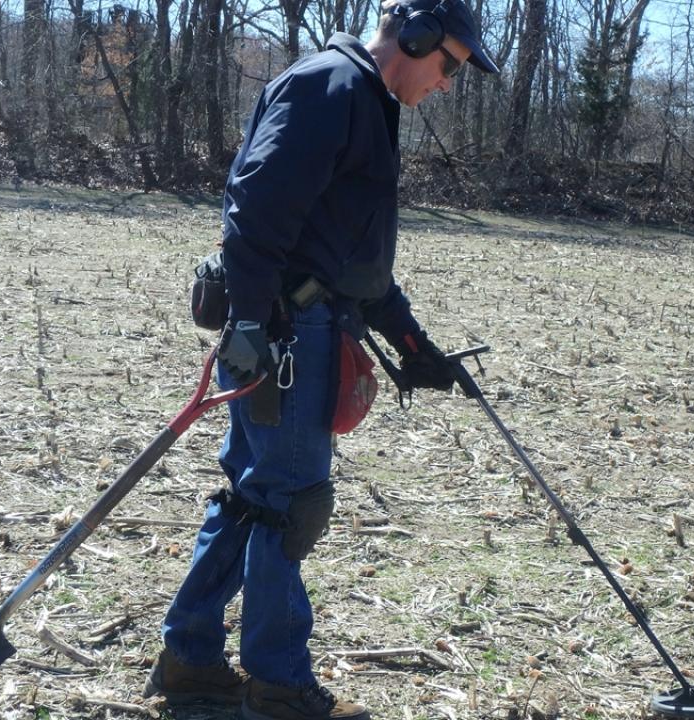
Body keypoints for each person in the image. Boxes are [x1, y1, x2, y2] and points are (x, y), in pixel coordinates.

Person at [144, 3, 498, 719]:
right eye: (450, 65)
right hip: (284, 335)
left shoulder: (366, 100)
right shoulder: (330, 87)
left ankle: (192, 657)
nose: (449, 84)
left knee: (254, 497)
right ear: (416, 36)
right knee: (290, 505)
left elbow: (354, 259)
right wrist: (249, 327)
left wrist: (412, 345)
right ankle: (278, 684)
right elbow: (253, 209)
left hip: (298, 325)